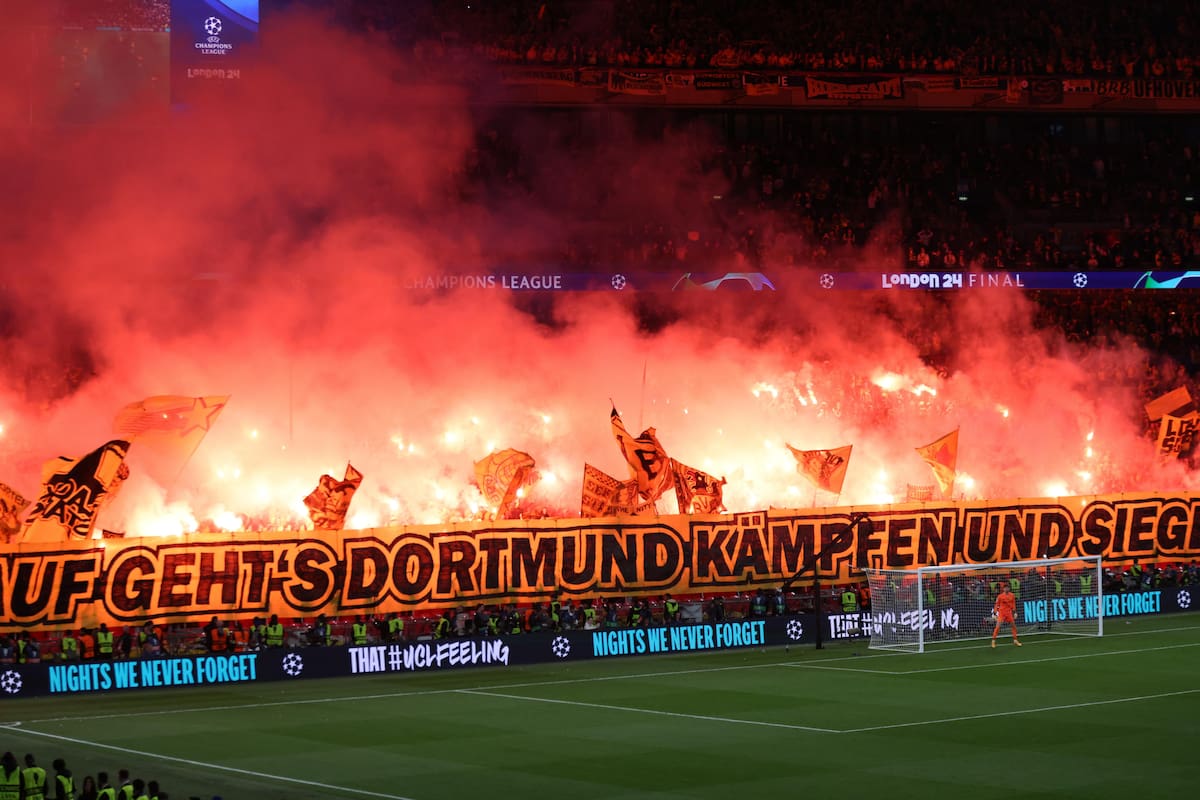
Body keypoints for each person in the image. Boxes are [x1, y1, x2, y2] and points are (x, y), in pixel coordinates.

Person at [991, 583, 1022, 648]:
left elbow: (1013, 604)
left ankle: (1015, 640)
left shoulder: (1012, 595)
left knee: (1013, 626)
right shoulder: (1000, 596)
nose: (1006, 589)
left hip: (1009, 613)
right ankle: (993, 641)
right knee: (998, 627)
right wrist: (994, 613)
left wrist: (1015, 612)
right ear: (1003, 589)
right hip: (1002, 613)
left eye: (1007, 587)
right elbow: (996, 605)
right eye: (1005, 588)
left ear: (1009, 588)